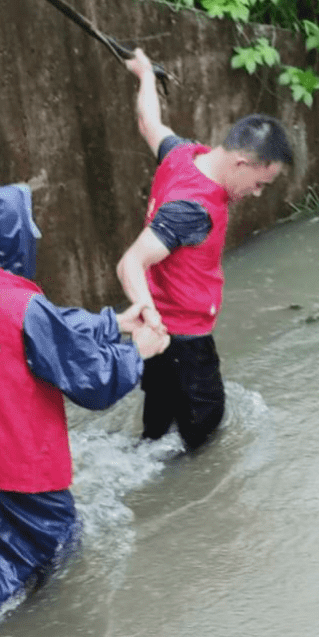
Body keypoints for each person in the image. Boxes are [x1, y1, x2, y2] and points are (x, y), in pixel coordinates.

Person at [0, 183, 168, 608]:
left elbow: (50, 328)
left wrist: (113, 323)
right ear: (18, 238)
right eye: (32, 226)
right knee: (60, 555)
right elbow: (91, 380)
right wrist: (138, 352)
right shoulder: (25, 307)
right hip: (20, 469)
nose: (38, 234)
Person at [117, 48, 294, 453]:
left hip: (160, 338)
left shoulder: (183, 155)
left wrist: (145, 73)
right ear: (242, 162)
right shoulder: (194, 209)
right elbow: (130, 262)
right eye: (260, 183)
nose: (256, 193)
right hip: (183, 341)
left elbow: (149, 122)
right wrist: (150, 314)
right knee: (205, 438)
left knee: (158, 433)